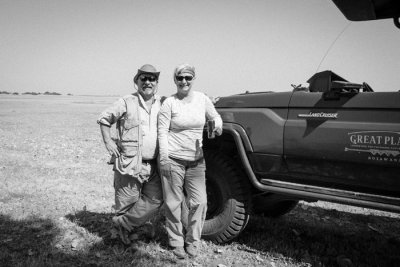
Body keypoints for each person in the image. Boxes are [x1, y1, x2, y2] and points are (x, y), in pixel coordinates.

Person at [158, 63, 222, 258]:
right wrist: (164, 159)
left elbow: (215, 117)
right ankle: (176, 242)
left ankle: (193, 241)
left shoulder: (202, 99)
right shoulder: (169, 102)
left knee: (200, 202)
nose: (184, 81)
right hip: (173, 160)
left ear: (193, 79)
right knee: (173, 203)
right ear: (175, 80)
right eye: (180, 78)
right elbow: (162, 132)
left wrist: (217, 126)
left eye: (188, 77)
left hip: (196, 160)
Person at [97, 64, 163, 245]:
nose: (148, 82)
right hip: (130, 163)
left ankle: (123, 225)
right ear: (137, 82)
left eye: (152, 79)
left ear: (157, 83)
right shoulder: (126, 102)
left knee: (155, 200)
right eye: (144, 78)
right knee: (128, 202)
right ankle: (123, 237)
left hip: (154, 164)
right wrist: (108, 141)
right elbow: (104, 119)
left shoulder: (163, 103)